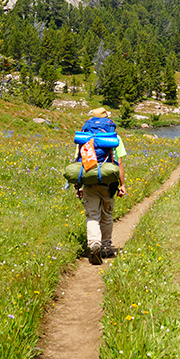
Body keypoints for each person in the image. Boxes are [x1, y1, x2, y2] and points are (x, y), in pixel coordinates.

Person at [73, 107, 127, 265]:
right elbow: (120, 163)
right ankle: (105, 247)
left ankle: (94, 244)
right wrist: (122, 185)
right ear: (107, 118)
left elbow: (79, 162)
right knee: (107, 215)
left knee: (92, 216)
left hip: (90, 182)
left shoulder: (84, 137)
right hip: (108, 182)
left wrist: (78, 186)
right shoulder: (113, 136)